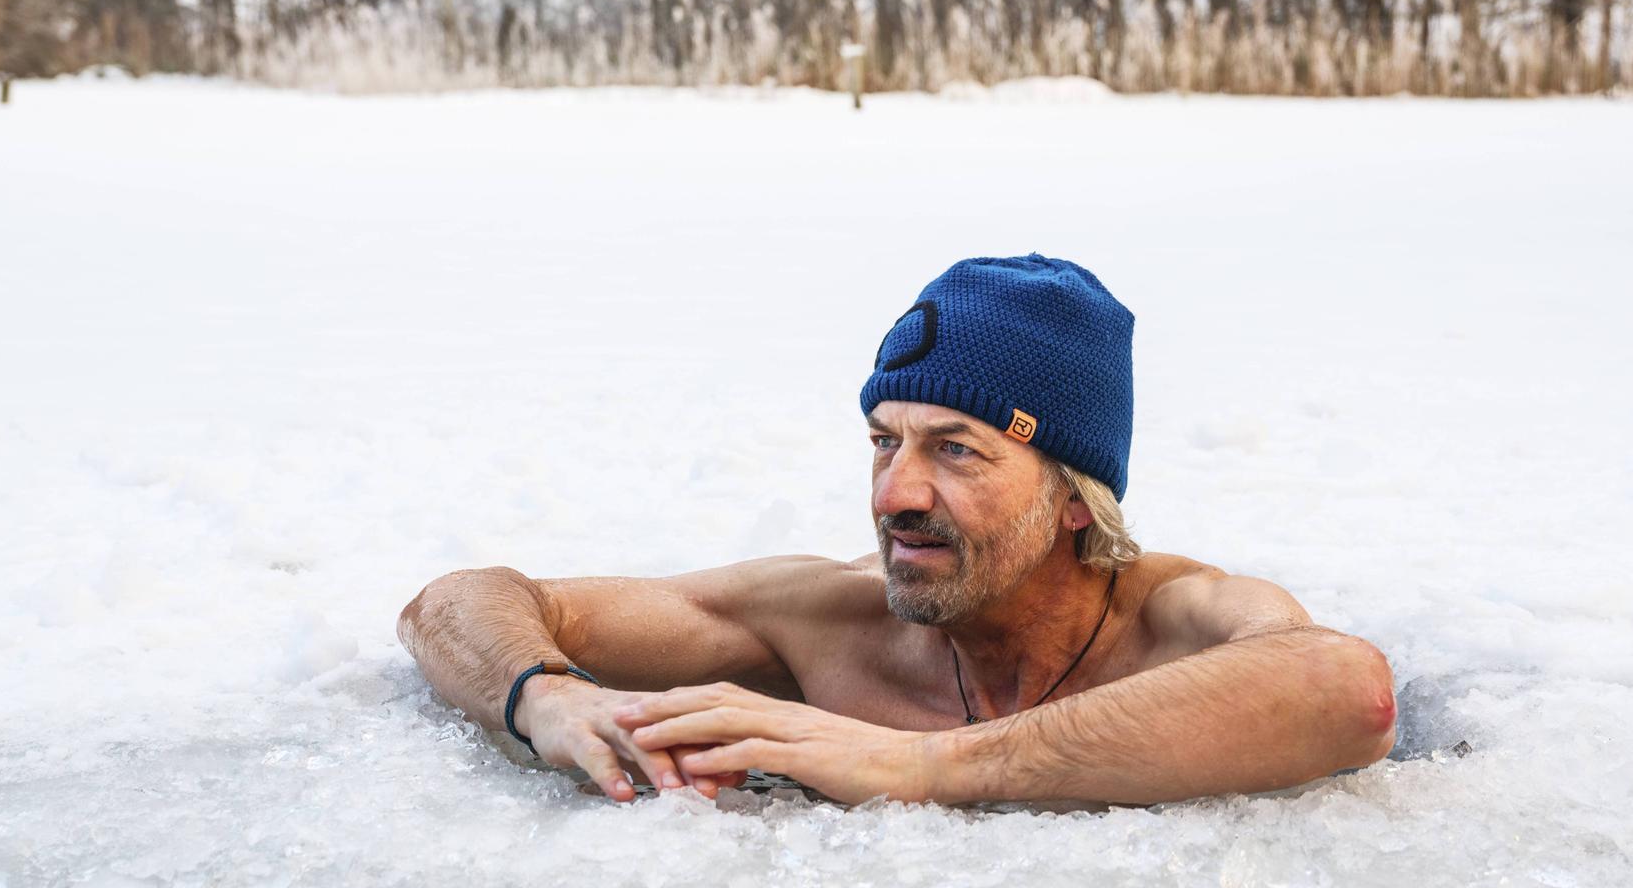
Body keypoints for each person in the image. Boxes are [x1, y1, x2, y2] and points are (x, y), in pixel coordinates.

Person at [398, 254, 1397, 807]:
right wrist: (549, 699)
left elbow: (1344, 689)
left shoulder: (1177, 621)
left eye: (956, 450)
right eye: (885, 442)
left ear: (1079, 497)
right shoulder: (831, 621)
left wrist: (913, 765)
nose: (895, 495)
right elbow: (456, 605)